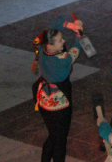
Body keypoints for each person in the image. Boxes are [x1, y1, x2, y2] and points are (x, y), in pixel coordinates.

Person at [31, 17, 85, 162]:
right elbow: (76, 48)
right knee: (60, 139)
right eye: (60, 41)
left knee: (52, 135)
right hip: (59, 103)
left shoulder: (41, 48)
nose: (64, 41)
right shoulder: (62, 61)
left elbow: (52, 25)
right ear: (50, 45)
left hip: (44, 99)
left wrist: (71, 25)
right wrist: (78, 31)